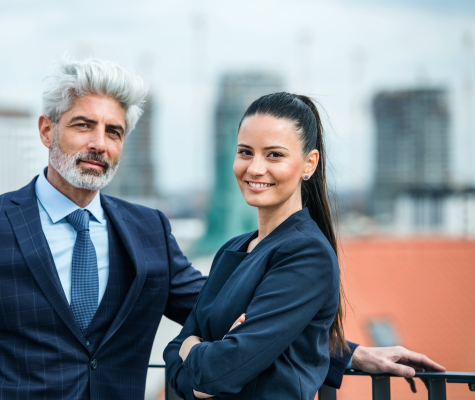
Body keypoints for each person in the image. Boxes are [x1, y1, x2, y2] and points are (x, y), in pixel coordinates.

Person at [0, 59, 443, 400]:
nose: (99, 142)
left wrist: (346, 354)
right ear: (48, 130)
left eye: (113, 131)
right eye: (83, 125)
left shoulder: (146, 230)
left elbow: (218, 311)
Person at [163, 92, 444, 400]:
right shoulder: (233, 249)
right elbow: (173, 354)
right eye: (245, 152)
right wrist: (201, 356)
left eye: (274, 155)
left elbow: (215, 373)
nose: (255, 168)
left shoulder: (307, 254)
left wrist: (194, 349)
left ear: (309, 164)